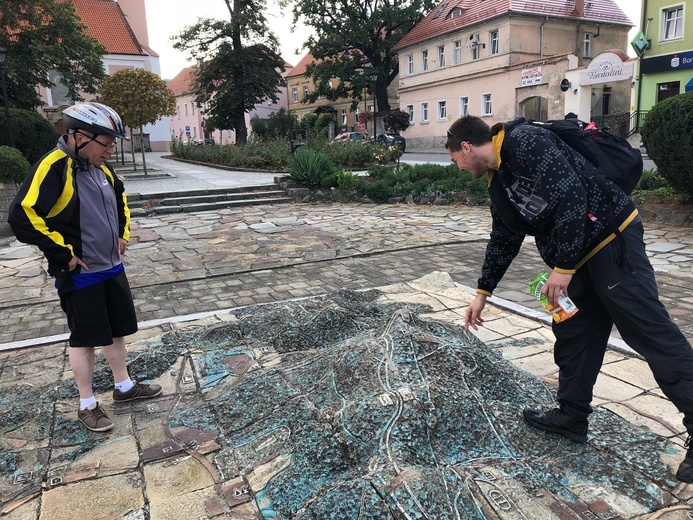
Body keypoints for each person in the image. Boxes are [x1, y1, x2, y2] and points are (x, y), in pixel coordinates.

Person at [445, 114, 693, 483]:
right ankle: (572, 416)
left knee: (649, 334)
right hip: (576, 259)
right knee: (574, 333)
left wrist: (563, 268)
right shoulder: (499, 181)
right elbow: (504, 238)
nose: (458, 168)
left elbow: (571, 195)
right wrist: (483, 292)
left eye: (455, 160)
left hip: (611, 240)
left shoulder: (525, 141)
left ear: (466, 147)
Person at [8, 102, 162, 432]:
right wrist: (63, 255)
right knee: (85, 338)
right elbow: (23, 215)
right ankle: (87, 404)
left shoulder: (102, 169)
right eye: (105, 143)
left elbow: (120, 200)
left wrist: (123, 234)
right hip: (80, 274)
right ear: (79, 137)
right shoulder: (54, 166)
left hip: (111, 266)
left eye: (112, 143)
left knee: (115, 330)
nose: (111, 149)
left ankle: (123, 387)